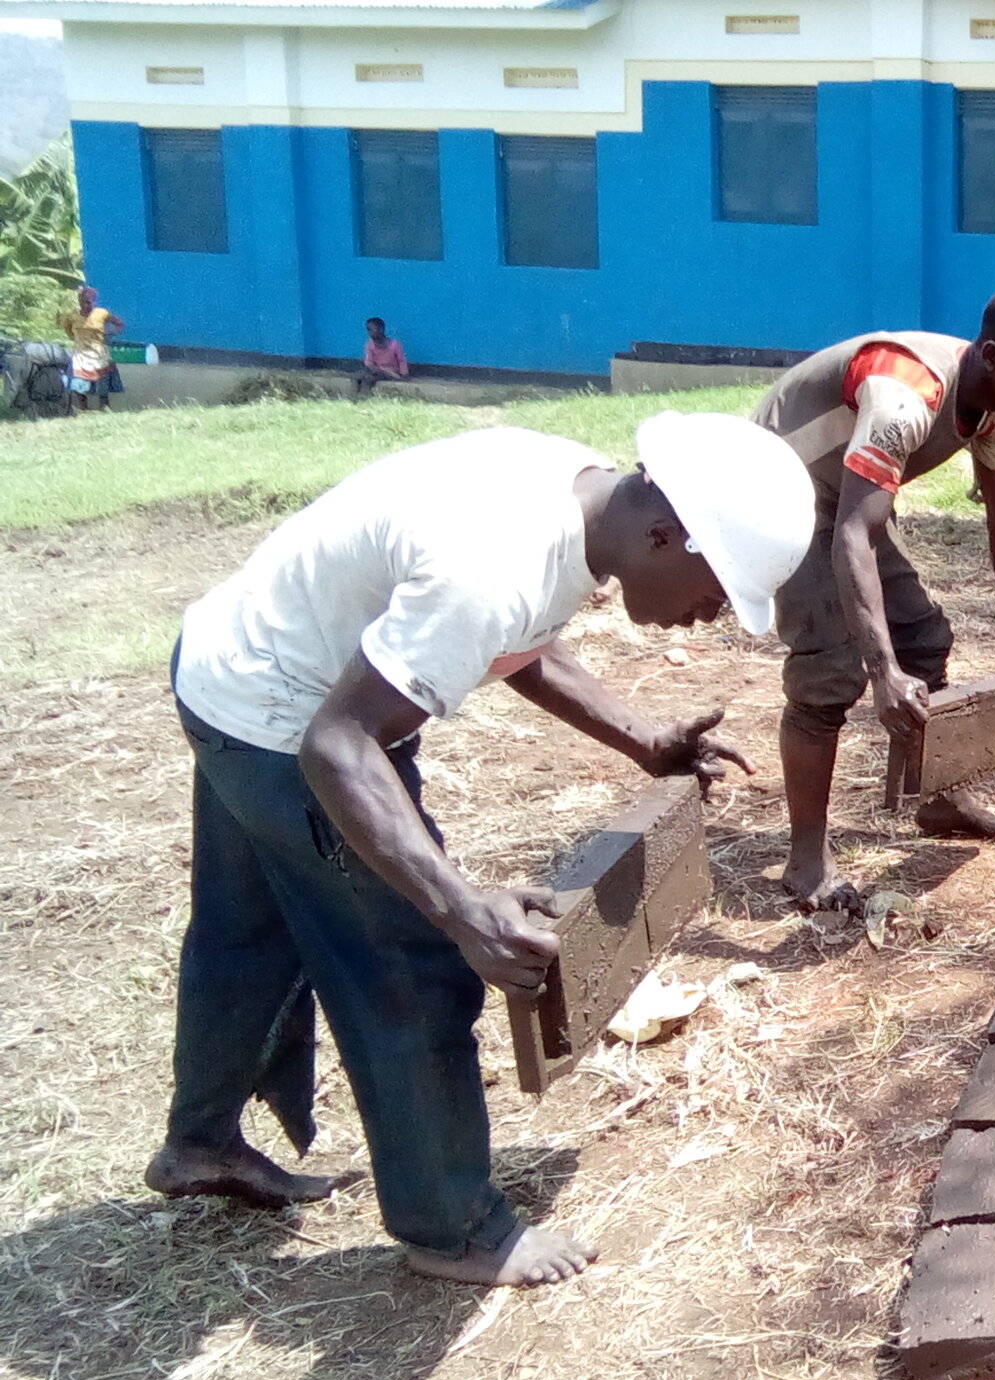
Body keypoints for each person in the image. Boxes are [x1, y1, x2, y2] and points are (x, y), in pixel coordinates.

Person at [152, 414, 814, 1285]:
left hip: (226, 666)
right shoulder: (489, 565)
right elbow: (339, 748)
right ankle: (453, 1227)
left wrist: (644, 739)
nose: (709, 616)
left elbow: (521, 643)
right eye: (718, 589)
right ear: (665, 533)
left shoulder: (572, 488)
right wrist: (461, 912)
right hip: (288, 723)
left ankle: (198, 1144)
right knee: (413, 960)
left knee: (249, 933)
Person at [757, 282, 995, 913]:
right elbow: (853, 531)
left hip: (844, 495)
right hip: (778, 489)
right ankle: (805, 860)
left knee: (925, 640)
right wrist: (881, 672)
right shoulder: (906, 393)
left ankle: (935, 797)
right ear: (992, 355)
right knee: (830, 668)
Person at [62, 285, 125, 412]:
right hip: (81, 352)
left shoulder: (101, 313)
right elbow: (68, 329)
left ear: (94, 302)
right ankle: (83, 408)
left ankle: (104, 408)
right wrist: (76, 339)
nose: (86, 305)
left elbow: (119, 323)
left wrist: (110, 333)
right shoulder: (72, 316)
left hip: (98, 351)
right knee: (79, 381)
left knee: (102, 382)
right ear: (79, 301)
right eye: (83, 302)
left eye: (89, 302)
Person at [356, 317, 412, 397]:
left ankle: (364, 395)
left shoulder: (394, 344)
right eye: (368, 330)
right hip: (377, 370)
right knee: (360, 374)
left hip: (392, 373)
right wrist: (377, 369)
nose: (369, 333)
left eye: (371, 330)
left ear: (381, 330)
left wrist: (403, 375)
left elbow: (401, 360)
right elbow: (369, 363)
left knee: (368, 378)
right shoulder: (369, 345)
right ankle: (360, 394)